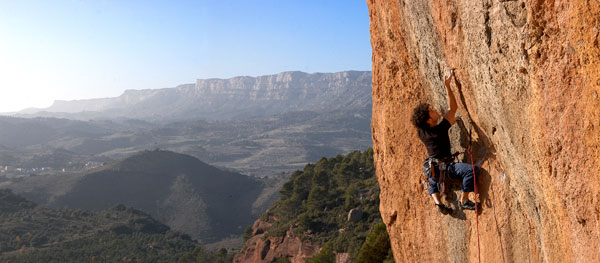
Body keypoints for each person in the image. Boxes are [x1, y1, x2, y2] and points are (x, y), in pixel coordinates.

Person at [410, 69, 479, 214]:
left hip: (434, 168)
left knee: (432, 182)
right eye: (431, 111)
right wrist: (447, 85)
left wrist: (449, 121)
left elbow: (445, 117)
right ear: (429, 121)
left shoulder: (422, 132)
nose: (435, 110)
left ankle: (438, 202)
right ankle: (465, 200)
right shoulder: (438, 131)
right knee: (471, 170)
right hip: (447, 168)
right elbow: (453, 109)